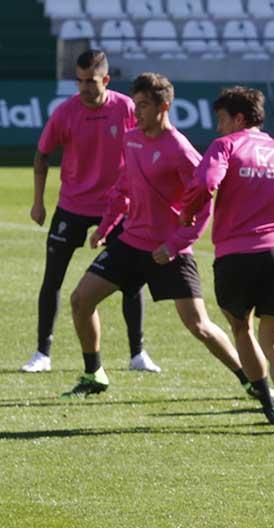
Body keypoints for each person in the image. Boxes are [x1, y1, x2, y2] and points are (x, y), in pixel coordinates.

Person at [61, 73, 250, 400]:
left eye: (144, 105)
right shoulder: (132, 139)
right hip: (130, 242)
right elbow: (124, 187)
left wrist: (176, 244)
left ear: (164, 106)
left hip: (167, 251)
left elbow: (203, 204)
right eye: (136, 104)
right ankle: (94, 374)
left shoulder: (180, 150)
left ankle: (251, 379)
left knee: (199, 326)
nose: (138, 112)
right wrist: (107, 227)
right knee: (81, 299)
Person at [179, 86, 274, 434]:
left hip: (234, 256)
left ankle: (266, 401)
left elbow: (207, 181)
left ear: (238, 118)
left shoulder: (226, 146)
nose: (218, 128)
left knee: (241, 329)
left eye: (221, 120)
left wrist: (188, 210)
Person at [22, 49, 160, 374]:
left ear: (106, 79)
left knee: (132, 280)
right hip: (72, 205)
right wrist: (38, 201)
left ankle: (137, 353)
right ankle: (42, 353)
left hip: (117, 207)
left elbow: (147, 143)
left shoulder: (126, 108)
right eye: (80, 81)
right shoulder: (65, 112)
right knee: (52, 279)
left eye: (91, 81)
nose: (84, 88)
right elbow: (42, 156)